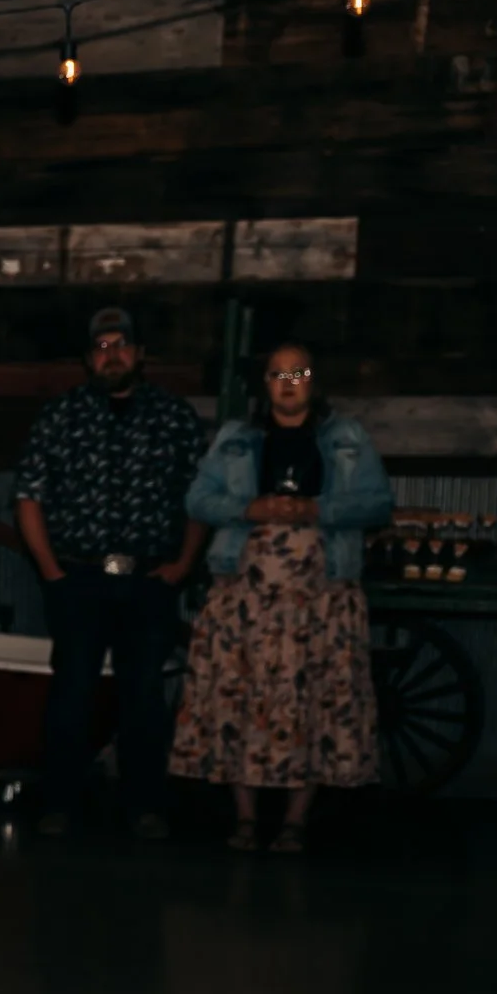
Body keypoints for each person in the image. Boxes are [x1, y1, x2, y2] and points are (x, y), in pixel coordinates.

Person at [171, 341, 391, 852]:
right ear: (264, 384)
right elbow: (197, 499)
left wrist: (319, 511)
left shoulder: (346, 437)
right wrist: (250, 507)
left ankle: (296, 820)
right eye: (277, 374)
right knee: (238, 696)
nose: (289, 382)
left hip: (321, 599)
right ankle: (246, 818)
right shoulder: (235, 439)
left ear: (314, 382)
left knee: (313, 697)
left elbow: (377, 503)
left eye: (300, 373)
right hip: (245, 596)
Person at [15, 307, 211, 839]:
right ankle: (59, 803)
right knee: (72, 692)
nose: (112, 354)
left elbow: (201, 498)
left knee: (144, 696)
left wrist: (184, 564)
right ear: (87, 358)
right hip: (77, 580)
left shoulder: (175, 417)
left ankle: (145, 805)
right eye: (101, 346)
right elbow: (28, 495)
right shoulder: (61, 416)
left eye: (121, 344)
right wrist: (51, 570)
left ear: (140, 353)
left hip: (149, 582)